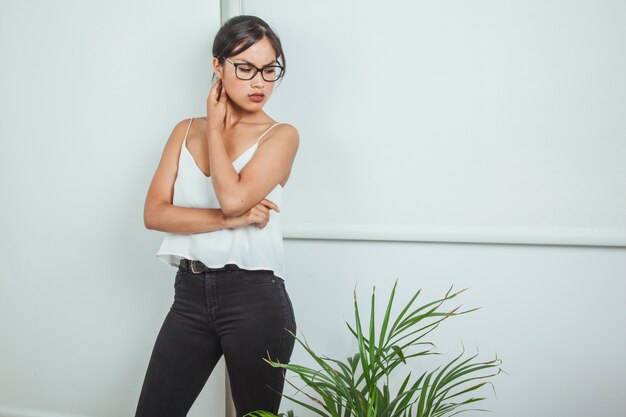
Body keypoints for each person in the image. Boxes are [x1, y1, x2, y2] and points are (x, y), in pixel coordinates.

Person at [135, 15, 299, 417]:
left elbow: (232, 198)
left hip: (254, 298)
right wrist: (231, 220)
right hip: (189, 295)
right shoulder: (184, 130)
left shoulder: (281, 135)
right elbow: (155, 214)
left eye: (270, 69)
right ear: (218, 66)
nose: (260, 82)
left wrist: (216, 132)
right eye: (245, 69)